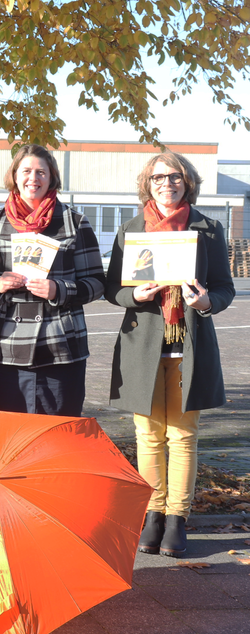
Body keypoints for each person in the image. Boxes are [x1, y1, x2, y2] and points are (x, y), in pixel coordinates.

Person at [106, 151, 234, 557]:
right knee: (148, 435)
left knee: (182, 435)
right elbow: (114, 288)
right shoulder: (131, 229)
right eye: (158, 177)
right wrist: (135, 294)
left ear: (187, 181)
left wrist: (204, 302)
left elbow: (225, 288)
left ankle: (177, 518)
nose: (166, 183)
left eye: (174, 176)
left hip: (188, 343)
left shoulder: (208, 229)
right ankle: (153, 514)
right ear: (148, 183)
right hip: (143, 343)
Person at [0, 144, 104, 416]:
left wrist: (60, 289)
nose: (34, 178)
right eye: (27, 171)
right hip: (8, 344)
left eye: (41, 172)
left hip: (61, 343)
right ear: (15, 175)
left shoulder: (74, 221)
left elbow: (97, 283)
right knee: (11, 435)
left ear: (52, 177)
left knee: (58, 436)